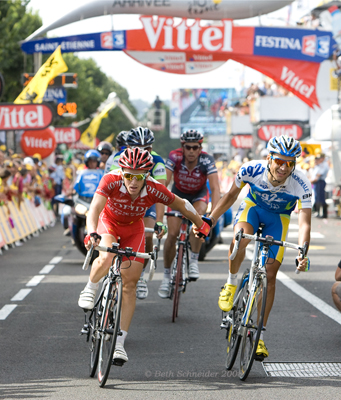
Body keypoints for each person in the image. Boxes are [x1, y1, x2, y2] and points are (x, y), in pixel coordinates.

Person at [78, 147, 211, 363]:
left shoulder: (154, 188)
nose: (133, 181)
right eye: (128, 175)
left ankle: (119, 344)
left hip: (134, 228)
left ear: (146, 175)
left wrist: (200, 223)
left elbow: (182, 204)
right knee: (107, 256)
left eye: (138, 177)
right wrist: (91, 232)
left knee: (129, 286)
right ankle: (91, 287)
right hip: (109, 223)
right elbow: (94, 208)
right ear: (121, 172)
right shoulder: (110, 180)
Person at [206, 135, 312, 360]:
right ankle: (231, 284)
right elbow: (229, 197)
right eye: (279, 161)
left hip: (278, 218)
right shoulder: (251, 170)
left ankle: (259, 337)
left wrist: (303, 252)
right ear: (269, 158)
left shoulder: (301, 183)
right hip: (253, 209)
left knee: (270, 276)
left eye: (290, 163)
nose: (284, 167)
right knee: (241, 238)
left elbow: (305, 222)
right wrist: (210, 220)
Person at [158, 129, 220, 298]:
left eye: (195, 147)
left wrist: (213, 215)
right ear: (182, 147)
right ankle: (165, 276)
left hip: (198, 196)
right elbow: (165, 182)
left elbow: (215, 188)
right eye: (188, 147)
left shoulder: (207, 160)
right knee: (171, 235)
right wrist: (161, 207)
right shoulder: (174, 157)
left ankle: (193, 259)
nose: (191, 151)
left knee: (199, 218)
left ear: (200, 148)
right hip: (178, 194)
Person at [106, 126, 167, 300]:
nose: (142, 151)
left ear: (152, 148)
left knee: (148, 236)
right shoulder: (117, 158)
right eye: (137, 147)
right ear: (128, 146)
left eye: (147, 148)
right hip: (119, 202)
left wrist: (160, 222)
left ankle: (139, 275)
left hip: (145, 204)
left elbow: (161, 194)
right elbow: (106, 188)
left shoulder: (157, 161)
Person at [310, 153, 329, 218]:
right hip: (317, 182)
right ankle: (318, 213)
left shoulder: (324, 165)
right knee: (317, 197)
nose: (318, 160)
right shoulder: (319, 165)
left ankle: (324, 214)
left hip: (320, 182)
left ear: (323, 158)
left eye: (319, 158)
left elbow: (319, 174)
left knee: (321, 197)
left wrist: (312, 180)